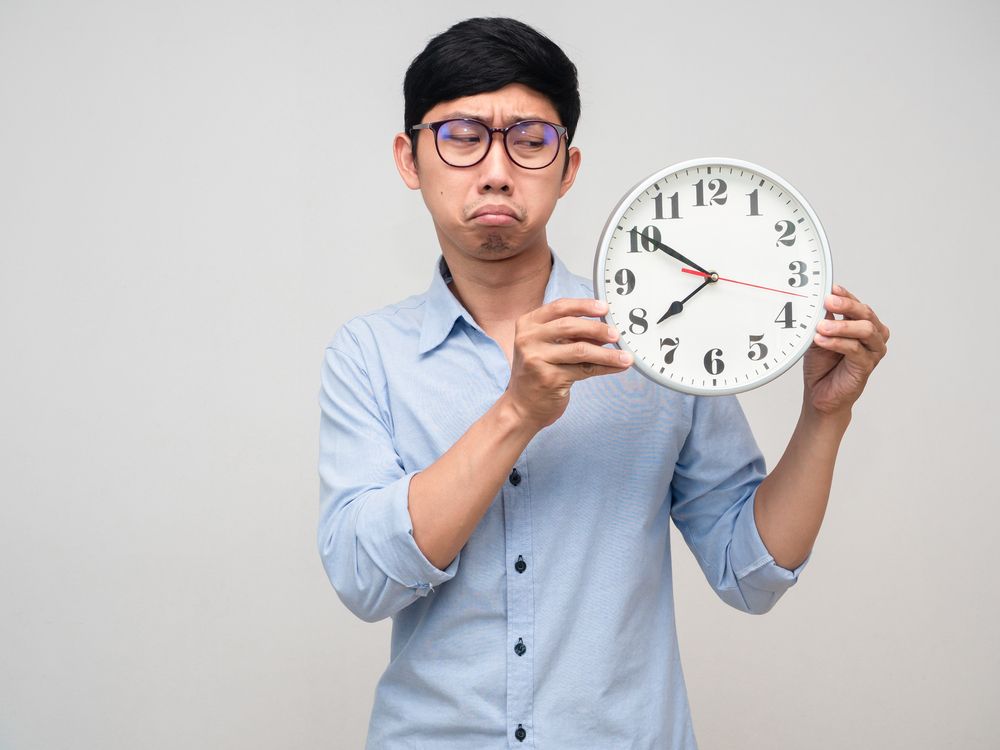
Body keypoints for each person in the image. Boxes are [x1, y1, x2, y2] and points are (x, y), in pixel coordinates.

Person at [318, 17, 888, 749]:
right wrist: (518, 410)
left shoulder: (658, 338)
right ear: (410, 156)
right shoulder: (367, 354)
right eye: (462, 135)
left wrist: (823, 417)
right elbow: (368, 582)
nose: (496, 169)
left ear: (568, 166)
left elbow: (751, 573)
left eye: (530, 139)